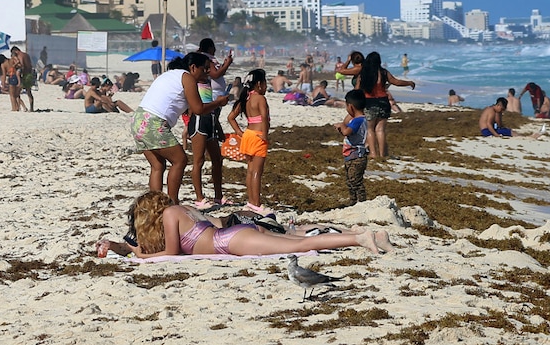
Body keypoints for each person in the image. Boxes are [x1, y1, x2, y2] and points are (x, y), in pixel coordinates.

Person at [95, 191, 391, 259]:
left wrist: (143, 256)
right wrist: (123, 247)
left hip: (230, 242)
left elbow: (172, 253)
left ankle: (359, 239)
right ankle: (364, 235)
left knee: (302, 244)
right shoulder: (179, 210)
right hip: (232, 235)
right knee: (298, 243)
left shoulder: (172, 214)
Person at [131, 53, 230, 204]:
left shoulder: (169, 75)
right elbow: (198, 109)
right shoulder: (187, 77)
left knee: (157, 165)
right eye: (204, 69)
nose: (207, 72)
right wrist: (218, 102)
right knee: (180, 160)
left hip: (138, 120)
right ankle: (173, 203)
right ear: (193, 67)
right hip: (154, 123)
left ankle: (155, 206)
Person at [188, 38, 234, 208]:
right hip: (200, 120)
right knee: (198, 160)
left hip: (211, 119)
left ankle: (218, 196)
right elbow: (195, 107)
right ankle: (199, 199)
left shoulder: (205, 80)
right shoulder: (192, 81)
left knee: (217, 159)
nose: (208, 70)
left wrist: (218, 127)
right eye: (206, 68)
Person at [227, 69, 271, 214]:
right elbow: (264, 117)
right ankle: (256, 203)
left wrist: (240, 133)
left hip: (248, 135)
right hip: (258, 136)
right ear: (259, 84)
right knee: (257, 172)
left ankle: (251, 202)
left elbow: (230, 117)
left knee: (250, 171)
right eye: (265, 83)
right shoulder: (260, 98)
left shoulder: (246, 98)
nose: (265, 87)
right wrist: (265, 135)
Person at [358, 51, 416, 158]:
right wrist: (409, 83)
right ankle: (382, 154)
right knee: (380, 129)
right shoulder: (384, 72)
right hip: (383, 102)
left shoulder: (364, 73)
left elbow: (357, 89)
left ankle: (373, 153)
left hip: (369, 103)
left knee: (370, 129)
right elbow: (396, 82)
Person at [333, 89, 369, 205]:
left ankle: (361, 201)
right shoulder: (360, 120)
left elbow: (347, 132)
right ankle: (353, 201)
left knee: (356, 181)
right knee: (350, 180)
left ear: (351, 107)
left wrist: (342, 125)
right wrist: (342, 129)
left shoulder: (357, 121)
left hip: (356, 156)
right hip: (351, 156)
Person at [11, 46, 35, 112]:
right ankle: (31, 108)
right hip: (30, 74)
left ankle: (21, 107)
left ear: (16, 51)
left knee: (16, 93)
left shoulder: (20, 55)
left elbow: (22, 65)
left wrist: (18, 71)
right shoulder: (26, 55)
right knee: (29, 92)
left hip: (25, 75)